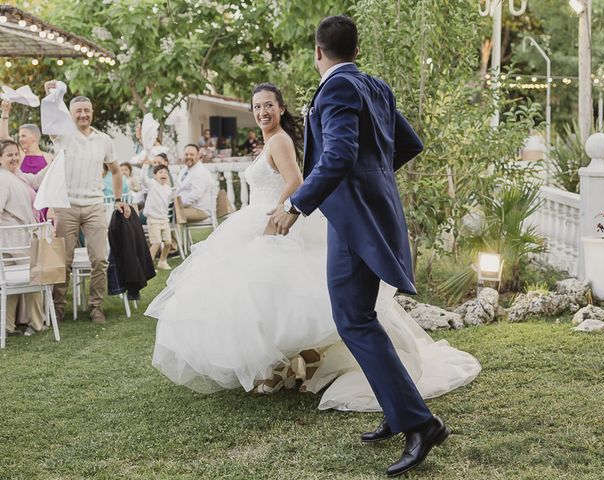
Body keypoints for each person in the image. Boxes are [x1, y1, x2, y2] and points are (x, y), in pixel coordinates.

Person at [146, 84, 479, 410]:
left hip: (276, 218)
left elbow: (296, 182)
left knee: (277, 297)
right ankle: (290, 365)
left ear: (281, 109)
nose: (263, 111)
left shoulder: (279, 140)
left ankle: (285, 368)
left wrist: (278, 211)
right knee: (270, 299)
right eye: (257, 106)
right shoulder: (267, 143)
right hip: (258, 216)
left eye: (269, 105)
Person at [269, 15, 448, 477]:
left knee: (353, 320)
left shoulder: (337, 89)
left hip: (353, 225)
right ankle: (396, 411)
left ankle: (420, 424)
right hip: (373, 215)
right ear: (354, 48)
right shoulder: (376, 86)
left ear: (317, 51)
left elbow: (340, 154)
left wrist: (298, 205)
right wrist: (376, 178)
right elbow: (406, 144)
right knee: (361, 319)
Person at [42, 80, 131, 324]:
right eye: (78, 111)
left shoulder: (103, 140)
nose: (83, 115)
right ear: (70, 115)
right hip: (66, 207)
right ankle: (58, 309)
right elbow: (50, 114)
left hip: (94, 206)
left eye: (86, 111)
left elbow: (115, 170)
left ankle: (96, 307)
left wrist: (118, 199)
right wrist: (49, 93)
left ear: (92, 113)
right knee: (64, 261)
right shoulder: (62, 135)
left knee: (100, 259)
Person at [0, 140, 48, 337]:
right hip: (14, 238)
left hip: (18, 237)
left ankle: (7, 325)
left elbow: (36, 181)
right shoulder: (3, 179)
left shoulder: (17, 175)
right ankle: (37, 323)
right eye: (9, 155)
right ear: (0, 158)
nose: (14, 158)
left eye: (16, 154)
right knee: (34, 278)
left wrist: (53, 163)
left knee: (11, 283)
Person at [0, 100, 52, 173]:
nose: (20, 139)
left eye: (23, 136)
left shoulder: (49, 157)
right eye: (20, 137)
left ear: (34, 137)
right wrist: (5, 112)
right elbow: (3, 136)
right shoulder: (20, 155)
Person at [140, 164, 173, 270]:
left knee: (168, 243)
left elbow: (165, 204)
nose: (163, 174)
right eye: (160, 172)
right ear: (155, 176)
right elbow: (142, 178)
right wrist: (145, 165)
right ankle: (147, 266)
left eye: (165, 173)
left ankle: (162, 261)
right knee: (156, 243)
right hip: (153, 219)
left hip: (164, 219)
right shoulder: (152, 184)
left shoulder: (168, 189)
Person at [175, 144, 213, 222]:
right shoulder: (184, 170)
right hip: (186, 207)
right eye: (186, 154)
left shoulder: (200, 171)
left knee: (175, 213)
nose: (188, 157)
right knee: (164, 212)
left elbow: (196, 194)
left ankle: (177, 234)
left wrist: (178, 204)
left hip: (200, 209)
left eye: (192, 154)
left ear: (198, 155)